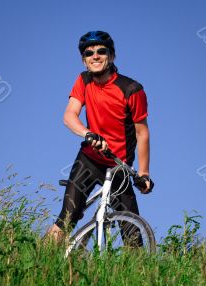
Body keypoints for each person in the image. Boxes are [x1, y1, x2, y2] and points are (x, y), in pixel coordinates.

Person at [46, 30, 153, 242]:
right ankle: (40, 261)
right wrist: (88, 133)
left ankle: (141, 274)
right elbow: (69, 115)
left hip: (118, 166)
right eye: (89, 53)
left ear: (111, 56)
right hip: (88, 160)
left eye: (101, 51)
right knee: (67, 218)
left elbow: (142, 133)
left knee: (132, 233)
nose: (95, 56)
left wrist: (144, 173)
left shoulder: (131, 89)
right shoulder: (84, 80)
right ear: (84, 60)